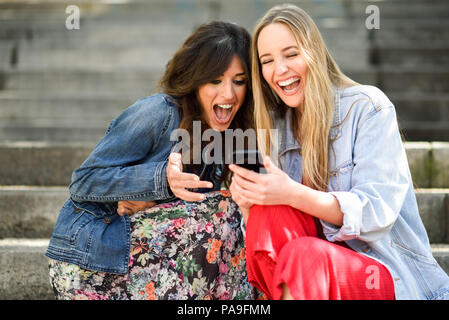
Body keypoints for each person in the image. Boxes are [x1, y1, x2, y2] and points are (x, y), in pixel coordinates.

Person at [229, 3, 449, 300]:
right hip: (307, 278)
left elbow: (376, 213)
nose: (279, 70)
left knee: (305, 255)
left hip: (380, 273)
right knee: (269, 211)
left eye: (291, 54)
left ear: (314, 53)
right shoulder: (275, 128)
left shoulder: (367, 108)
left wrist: (292, 193)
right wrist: (248, 204)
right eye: (267, 61)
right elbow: (271, 241)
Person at [45, 21, 262, 300]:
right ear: (195, 80)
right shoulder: (158, 114)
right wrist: (159, 180)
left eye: (239, 81)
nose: (229, 94)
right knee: (222, 209)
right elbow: (83, 181)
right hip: (90, 261)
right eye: (215, 80)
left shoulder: (227, 136)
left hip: (148, 261)